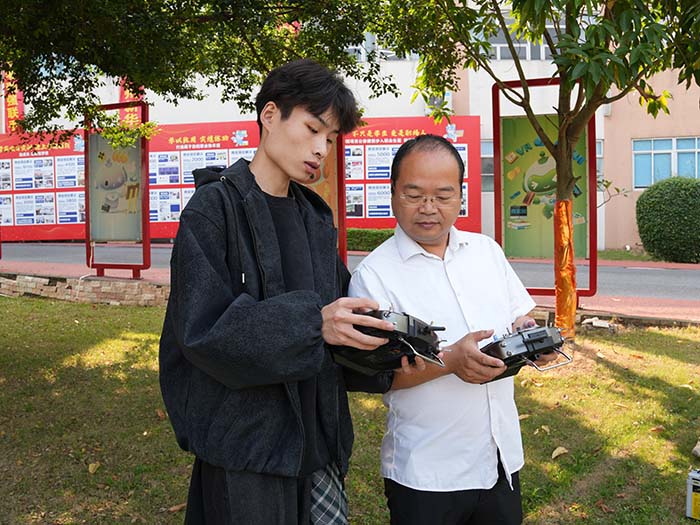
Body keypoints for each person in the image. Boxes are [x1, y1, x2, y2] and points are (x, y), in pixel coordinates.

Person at [159, 59, 395, 524]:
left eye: (330, 138)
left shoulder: (314, 216)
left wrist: (393, 346)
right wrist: (313, 323)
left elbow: (339, 320)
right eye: (312, 129)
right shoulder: (213, 209)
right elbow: (203, 330)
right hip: (248, 453)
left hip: (320, 444)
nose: (321, 148)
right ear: (270, 115)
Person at [349, 134, 556, 524]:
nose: (429, 208)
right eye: (414, 195)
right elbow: (378, 377)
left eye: (443, 196)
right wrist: (450, 361)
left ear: (460, 195)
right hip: (427, 473)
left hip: (500, 459)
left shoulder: (486, 251)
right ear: (392, 193)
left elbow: (518, 317)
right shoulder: (373, 277)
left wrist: (529, 337)